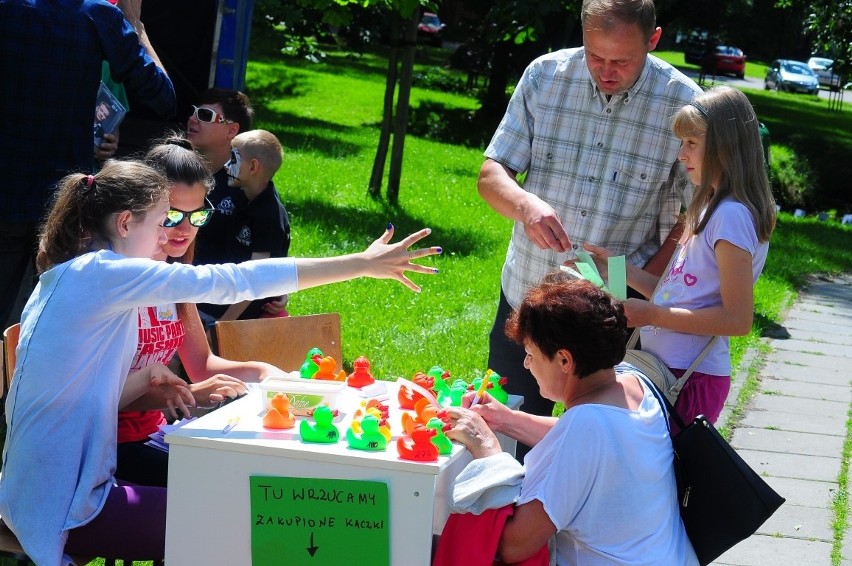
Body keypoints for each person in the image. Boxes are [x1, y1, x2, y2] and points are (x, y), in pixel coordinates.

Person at [0, 159, 440, 564]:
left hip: (50, 494)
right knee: (245, 524)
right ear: (125, 222)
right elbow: (231, 281)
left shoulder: (76, 274)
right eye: (160, 222)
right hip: (63, 506)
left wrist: (152, 376)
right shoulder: (104, 273)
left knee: (241, 512)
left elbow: (80, 389)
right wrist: (359, 263)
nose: (164, 237)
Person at [477, 0, 702, 459]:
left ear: (653, 40)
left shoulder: (685, 104)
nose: (606, 71)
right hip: (528, 295)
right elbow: (491, 174)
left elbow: (693, 214)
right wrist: (525, 204)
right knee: (507, 440)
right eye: (595, 56)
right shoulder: (545, 76)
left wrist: (642, 286)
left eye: (622, 60)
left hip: (611, 308)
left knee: (599, 452)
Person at [444, 276, 697, 565]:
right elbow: (592, 444)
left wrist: (487, 447)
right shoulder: (636, 385)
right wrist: (508, 420)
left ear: (565, 361)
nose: (526, 364)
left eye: (530, 354)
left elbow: (514, 545)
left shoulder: (585, 426)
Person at [584, 86, 776, 425]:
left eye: (691, 143)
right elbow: (675, 291)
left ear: (724, 147)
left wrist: (653, 315)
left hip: (690, 377)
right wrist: (612, 266)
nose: (680, 155)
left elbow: (737, 320)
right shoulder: (711, 209)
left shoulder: (731, 216)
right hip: (666, 368)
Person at [115, 137, 289, 487]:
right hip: (106, 450)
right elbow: (93, 396)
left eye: (198, 215)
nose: (185, 228)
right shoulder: (117, 280)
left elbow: (201, 365)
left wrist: (267, 373)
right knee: (233, 484)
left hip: (156, 432)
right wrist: (190, 395)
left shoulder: (176, 277)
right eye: (173, 215)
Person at [0, 0, 175, 332]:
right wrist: (134, 22)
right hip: (64, 208)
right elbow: (162, 97)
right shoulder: (99, 17)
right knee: (54, 329)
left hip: (11, 194)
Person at [197, 129, 291, 325]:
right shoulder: (241, 193)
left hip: (242, 313)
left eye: (233, 158)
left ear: (253, 167)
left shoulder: (269, 216)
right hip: (223, 293)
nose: (226, 165)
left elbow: (256, 280)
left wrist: (222, 325)